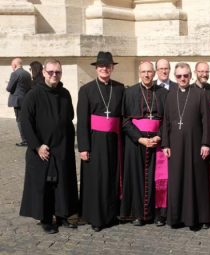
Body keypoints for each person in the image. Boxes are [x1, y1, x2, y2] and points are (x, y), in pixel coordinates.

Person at [19, 58, 79, 234]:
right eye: (51, 72)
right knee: (44, 186)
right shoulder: (33, 94)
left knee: (62, 184)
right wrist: (37, 146)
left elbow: (69, 116)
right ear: (44, 72)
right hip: (42, 150)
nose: (54, 75)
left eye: (58, 72)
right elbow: (25, 122)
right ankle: (46, 219)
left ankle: (62, 216)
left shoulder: (65, 93)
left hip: (62, 148)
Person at [162, 62, 210, 230]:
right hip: (175, 146)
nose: (182, 78)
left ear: (191, 76)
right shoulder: (170, 96)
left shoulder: (199, 94)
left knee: (198, 180)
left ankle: (202, 217)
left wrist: (206, 143)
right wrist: (165, 144)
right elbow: (166, 122)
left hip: (195, 144)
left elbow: (207, 121)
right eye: (178, 76)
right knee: (177, 180)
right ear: (175, 77)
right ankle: (177, 218)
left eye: (185, 75)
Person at [77, 52, 125, 232]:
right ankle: (96, 217)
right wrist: (83, 147)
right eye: (101, 66)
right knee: (97, 180)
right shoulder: (87, 90)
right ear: (96, 68)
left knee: (113, 177)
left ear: (112, 68)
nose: (104, 69)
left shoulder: (120, 88)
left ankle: (112, 214)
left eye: (107, 66)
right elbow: (82, 122)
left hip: (114, 140)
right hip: (95, 140)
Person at [120, 61, 169, 227]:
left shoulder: (164, 93)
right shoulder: (130, 92)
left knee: (158, 179)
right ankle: (138, 214)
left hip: (157, 143)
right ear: (139, 73)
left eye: (149, 72)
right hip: (136, 143)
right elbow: (125, 120)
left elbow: (168, 120)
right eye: (144, 72)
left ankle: (158, 214)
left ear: (154, 73)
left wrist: (158, 137)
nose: (147, 75)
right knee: (137, 178)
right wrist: (140, 139)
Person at [6, 58, 32, 147]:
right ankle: (29, 138)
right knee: (26, 119)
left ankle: (25, 140)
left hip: (17, 101)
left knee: (20, 120)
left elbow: (9, 88)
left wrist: (8, 84)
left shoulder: (15, 74)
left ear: (14, 65)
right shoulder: (27, 74)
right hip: (25, 99)